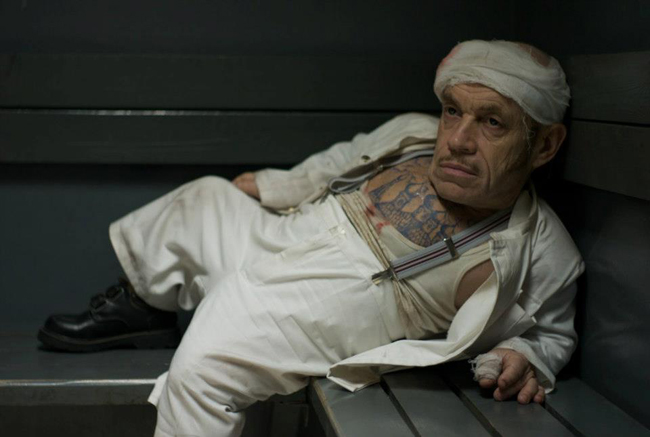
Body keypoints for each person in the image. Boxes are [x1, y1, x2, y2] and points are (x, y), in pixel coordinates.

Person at [38, 40, 584, 437]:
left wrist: (523, 355)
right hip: (297, 227)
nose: (458, 139)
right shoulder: (414, 134)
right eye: (453, 111)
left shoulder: (543, 248)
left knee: (203, 365)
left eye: (492, 123)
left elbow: (552, 334)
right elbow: (338, 161)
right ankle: (146, 308)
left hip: (337, 299)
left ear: (544, 145)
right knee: (205, 199)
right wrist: (274, 185)